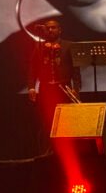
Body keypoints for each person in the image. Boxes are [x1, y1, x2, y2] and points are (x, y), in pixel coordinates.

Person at [27, 19, 83, 156]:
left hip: (64, 87)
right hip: (46, 88)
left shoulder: (68, 45)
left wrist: (76, 88)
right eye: (48, 28)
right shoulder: (39, 47)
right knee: (46, 122)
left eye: (53, 28)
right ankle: (46, 153)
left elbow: (76, 70)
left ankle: (67, 153)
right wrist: (31, 87)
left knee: (65, 122)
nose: (50, 30)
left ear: (59, 30)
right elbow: (32, 69)